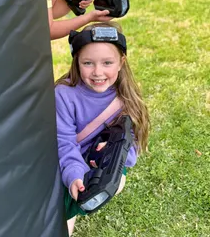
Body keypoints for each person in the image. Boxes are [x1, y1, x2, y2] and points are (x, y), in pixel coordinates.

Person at [55, 22, 150, 235]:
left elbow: (132, 145)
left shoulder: (125, 97)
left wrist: (112, 152)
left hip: (100, 166)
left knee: (113, 183)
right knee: (63, 204)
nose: (98, 72)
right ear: (77, 61)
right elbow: (64, 142)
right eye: (88, 63)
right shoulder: (64, 94)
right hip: (66, 159)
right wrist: (74, 175)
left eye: (107, 62)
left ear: (121, 62)